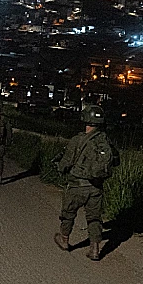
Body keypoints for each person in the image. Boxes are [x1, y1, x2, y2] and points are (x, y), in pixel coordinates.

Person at [53, 104, 120, 261]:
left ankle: (64, 240)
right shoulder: (105, 141)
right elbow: (115, 161)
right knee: (94, 218)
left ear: (85, 120)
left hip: (77, 186)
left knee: (68, 214)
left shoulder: (77, 140)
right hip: (96, 187)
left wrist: (59, 167)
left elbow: (65, 163)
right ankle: (95, 249)